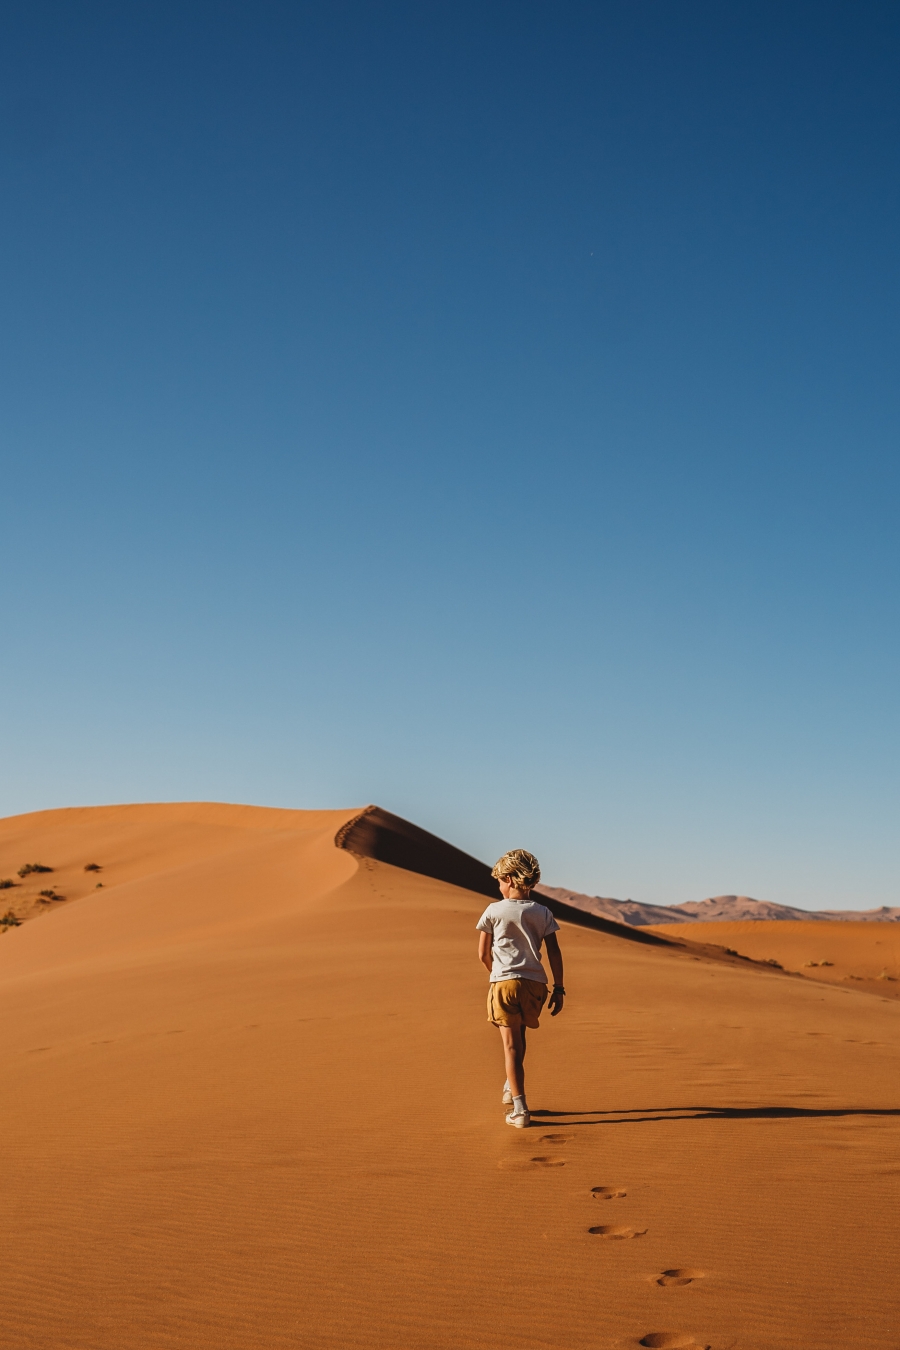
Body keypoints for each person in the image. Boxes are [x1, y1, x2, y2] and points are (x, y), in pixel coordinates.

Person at [476, 849, 565, 1128]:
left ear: (510, 879)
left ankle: (520, 1109)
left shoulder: (493, 910)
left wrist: (499, 976)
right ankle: (509, 1086)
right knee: (520, 1037)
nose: (499, 887)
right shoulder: (543, 912)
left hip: (504, 982)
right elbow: (554, 952)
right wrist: (559, 988)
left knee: (510, 1045)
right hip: (535, 984)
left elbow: (482, 954)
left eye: (500, 881)